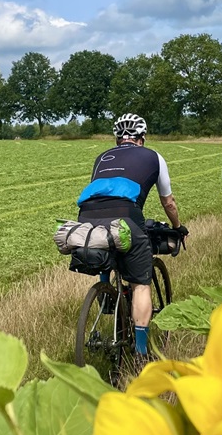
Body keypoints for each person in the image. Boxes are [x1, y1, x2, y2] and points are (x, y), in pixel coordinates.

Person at [76, 113, 187, 360]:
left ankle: (106, 292)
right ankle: (140, 353)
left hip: (87, 218)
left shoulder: (101, 157)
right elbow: (168, 202)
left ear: (118, 139)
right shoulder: (154, 157)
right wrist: (177, 227)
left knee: (106, 243)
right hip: (127, 215)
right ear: (142, 138)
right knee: (140, 284)